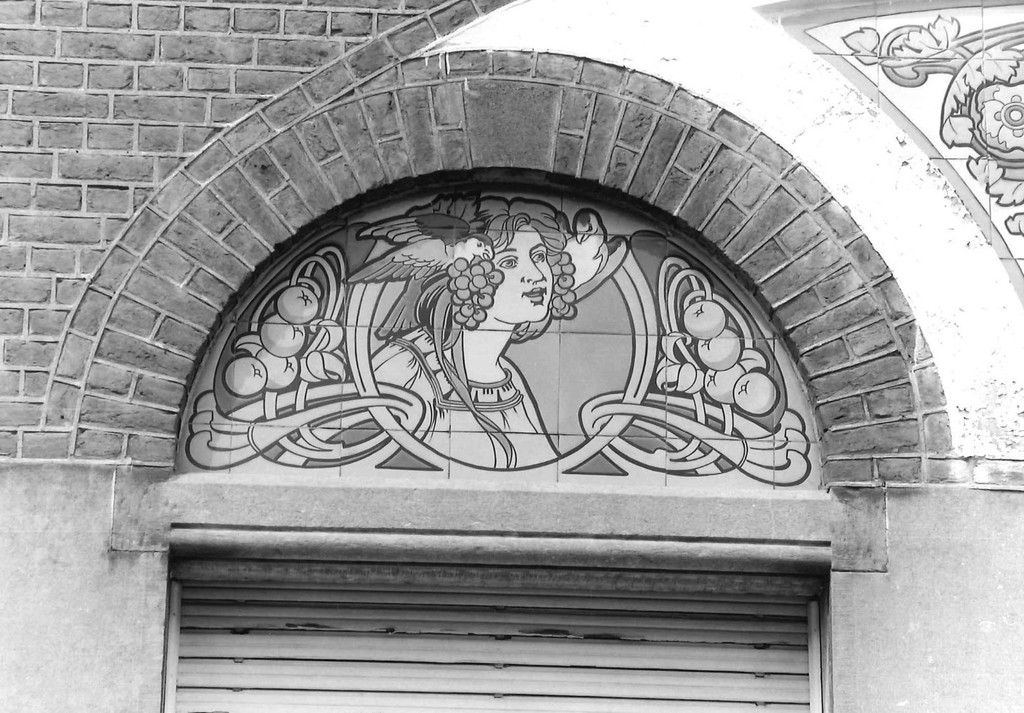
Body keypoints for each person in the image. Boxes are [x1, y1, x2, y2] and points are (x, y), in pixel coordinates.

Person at [355, 195, 618, 469]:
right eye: (510, 262)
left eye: (539, 257)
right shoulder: (406, 367)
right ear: (468, 276)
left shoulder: (509, 380)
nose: (536, 275)